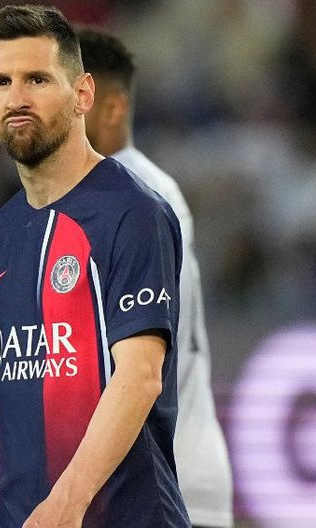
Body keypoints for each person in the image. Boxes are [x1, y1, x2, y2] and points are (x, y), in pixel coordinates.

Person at [0, 5, 189, 527]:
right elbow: (52, 361)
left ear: (83, 94)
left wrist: (66, 505)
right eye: (1, 82)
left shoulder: (132, 213)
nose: (17, 98)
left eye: (37, 79)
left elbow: (140, 376)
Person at [77, 28, 234, 528]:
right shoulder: (105, 194)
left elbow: (139, 360)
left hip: (164, 480)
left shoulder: (137, 195)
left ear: (112, 108)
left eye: (75, 97)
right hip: (148, 479)